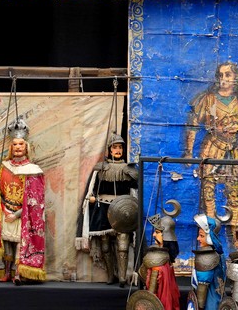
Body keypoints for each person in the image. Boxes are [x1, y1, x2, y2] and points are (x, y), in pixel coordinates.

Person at [183, 61, 238, 228]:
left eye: (228, 75)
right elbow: (193, 125)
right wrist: (188, 152)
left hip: (233, 153)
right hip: (212, 150)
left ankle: (237, 236)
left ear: (236, 77)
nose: (223, 78)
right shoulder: (208, 100)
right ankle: (209, 234)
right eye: (221, 75)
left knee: (234, 194)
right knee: (208, 194)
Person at [0, 117, 46, 284]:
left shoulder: (33, 170)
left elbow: (35, 200)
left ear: (26, 146)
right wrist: (4, 210)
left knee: (19, 242)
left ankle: (18, 272)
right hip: (5, 211)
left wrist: (17, 214)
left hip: (22, 214)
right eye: (15, 144)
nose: (18, 147)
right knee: (7, 243)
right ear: (11, 147)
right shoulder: (2, 168)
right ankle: (7, 272)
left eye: (21, 144)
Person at [76, 132, 138, 286]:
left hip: (123, 210)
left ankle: (122, 277)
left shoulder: (129, 169)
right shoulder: (101, 168)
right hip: (103, 209)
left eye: (120, 148)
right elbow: (92, 189)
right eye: (115, 147)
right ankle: (111, 275)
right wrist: (91, 197)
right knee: (105, 246)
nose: (118, 150)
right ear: (110, 150)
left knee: (123, 244)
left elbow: (135, 192)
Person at [134, 210, 180, 310]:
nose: (154, 235)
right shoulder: (166, 258)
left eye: (157, 232)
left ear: (166, 235)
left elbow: (152, 296)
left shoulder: (157, 262)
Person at [190, 214, 226, 310]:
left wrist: (199, 307)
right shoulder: (218, 253)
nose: (198, 238)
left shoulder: (208, 257)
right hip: (218, 301)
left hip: (208, 304)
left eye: (201, 235)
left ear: (210, 237)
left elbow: (202, 287)